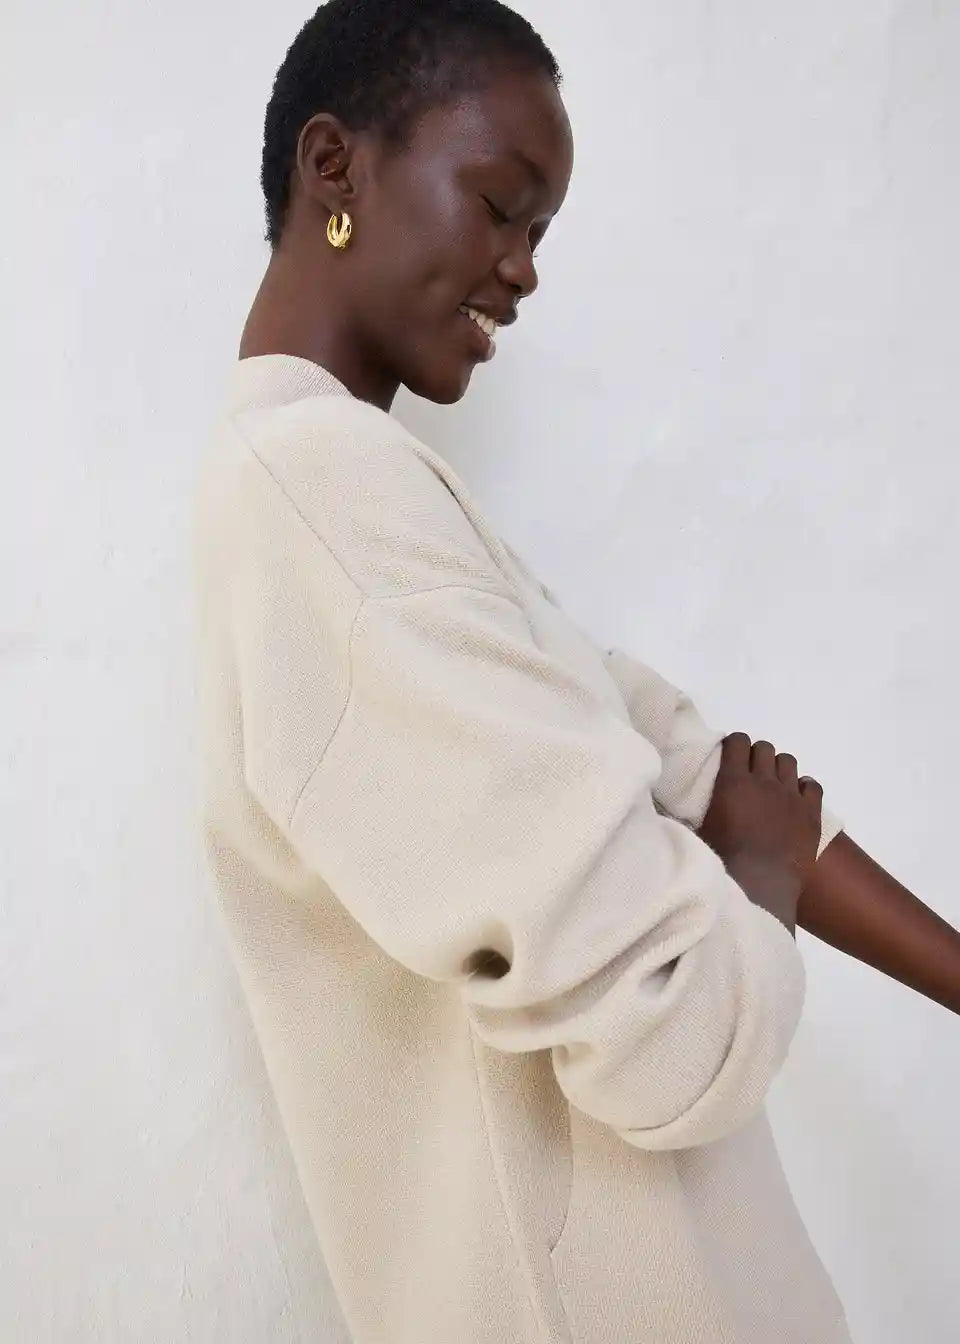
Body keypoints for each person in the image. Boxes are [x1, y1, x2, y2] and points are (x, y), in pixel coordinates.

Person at [191, 3, 960, 1340]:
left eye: (541, 232)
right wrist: (758, 878)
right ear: (335, 166)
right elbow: (671, 1034)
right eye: (502, 207)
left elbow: (693, 769)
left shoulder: (368, 497)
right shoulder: (323, 498)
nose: (524, 271)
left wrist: (766, 846)